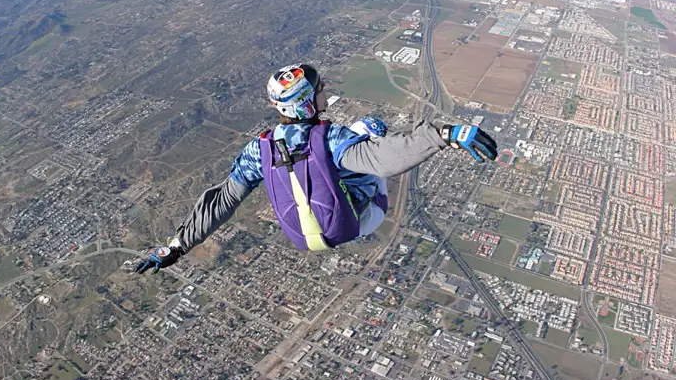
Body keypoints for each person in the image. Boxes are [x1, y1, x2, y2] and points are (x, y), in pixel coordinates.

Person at [135, 64, 497, 274]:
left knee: (340, 155)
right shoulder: (329, 138)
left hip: (303, 237)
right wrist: (443, 134)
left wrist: (178, 246)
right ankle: (369, 188)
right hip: (358, 221)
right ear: (308, 101)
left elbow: (222, 200)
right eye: (320, 88)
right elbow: (384, 159)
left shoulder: (257, 150)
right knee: (368, 131)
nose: (325, 91)